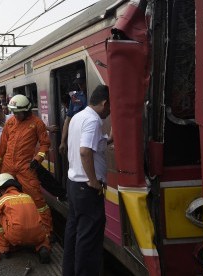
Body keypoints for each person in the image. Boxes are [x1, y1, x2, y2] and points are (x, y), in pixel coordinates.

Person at [62, 84, 110, 276]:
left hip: (74, 185)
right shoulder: (93, 120)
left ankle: (70, 272)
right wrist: (94, 182)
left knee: (73, 234)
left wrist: (108, 140)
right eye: (110, 107)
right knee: (89, 239)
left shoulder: (77, 117)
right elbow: (85, 151)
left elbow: (89, 145)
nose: (110, 112)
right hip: (86, 187)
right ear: (105, 103)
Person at [0, 94, 53, 234]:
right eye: (14, 112)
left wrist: (38, 159)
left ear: (26, 110)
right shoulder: (10, 122)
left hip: (26, 168)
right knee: (1, 198)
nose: (15, 115)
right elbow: (2, 148)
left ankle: (47, 232)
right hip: (7, 167)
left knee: (37, 201)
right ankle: (0, 229)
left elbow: (45, 144)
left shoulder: (37, 123)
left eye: (18, 113)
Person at [0, 173, 51, 263]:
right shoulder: (27, 197)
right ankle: (43, 247)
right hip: (36, 234)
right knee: (41, 234)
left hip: (16, 236)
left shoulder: (1, 201)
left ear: (0, 190)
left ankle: (4, 249)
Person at [59, 69, 88, 155]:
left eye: (82, 83)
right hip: (77, 137)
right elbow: (68, 120)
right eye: (78, 83)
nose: (80, 85)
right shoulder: (75, 98)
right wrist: (63, 141)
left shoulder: (95, 96)